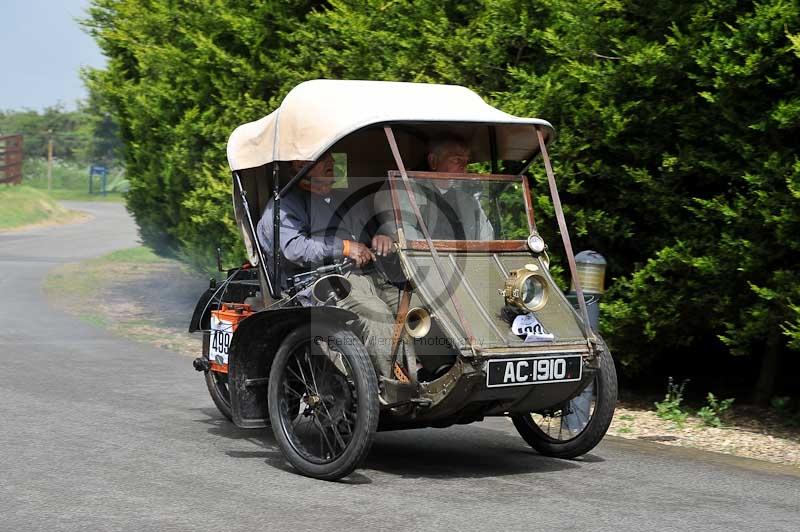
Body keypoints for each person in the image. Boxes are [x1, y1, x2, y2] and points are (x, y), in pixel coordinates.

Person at [256, 153, 400, 378]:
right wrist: (343, 247)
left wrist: (383, 236)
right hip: (319, 282)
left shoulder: (345, 199)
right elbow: (295, 248)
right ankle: (392, 387)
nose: (331, 162)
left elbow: (375, 229)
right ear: (299, 165)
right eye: (322, 159)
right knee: (377, 317)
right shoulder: (284, 205)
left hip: (370, 276)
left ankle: (431, 376)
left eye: (331, 157)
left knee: (415, 307)